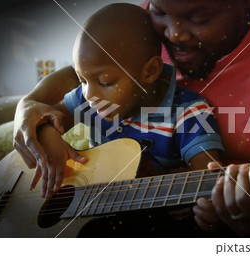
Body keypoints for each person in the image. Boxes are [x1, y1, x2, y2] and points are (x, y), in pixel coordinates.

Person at [13, 0, 250, 236]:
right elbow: (89, 72)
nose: (172, 34)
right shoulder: (145, 26)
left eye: (199, 18)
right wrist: (30, 108)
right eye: (161, 12)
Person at [29, 3, 224, 198]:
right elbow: (44, 118)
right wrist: (48, 134)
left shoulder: (190, 112)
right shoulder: (90, 100)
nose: (88, 95)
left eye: (105, 81)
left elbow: (208, 180)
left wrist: (210, 206)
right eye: (82, 80)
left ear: (150, 71)